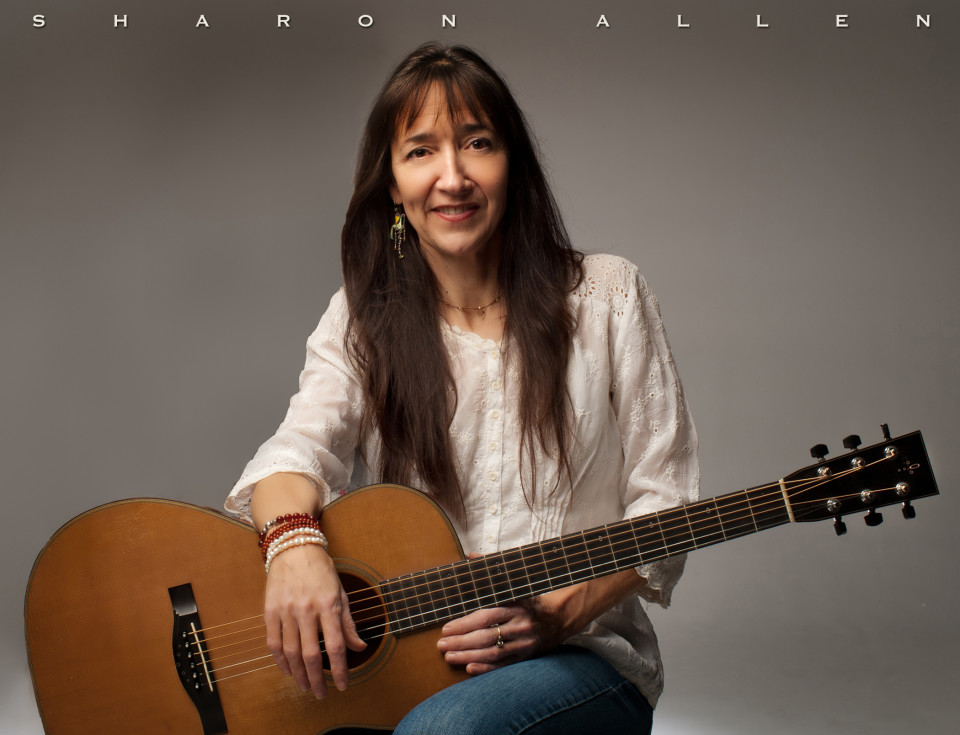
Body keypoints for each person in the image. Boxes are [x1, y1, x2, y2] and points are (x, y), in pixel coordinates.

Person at [225, 42, 699, 734]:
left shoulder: (608, 297)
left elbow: (668, 503)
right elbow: (297, 451)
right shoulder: (366, 317)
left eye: (477, 143)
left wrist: (561, 610)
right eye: (420, 152)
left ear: (512, 165)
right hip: (415, 671)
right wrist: (294, 547)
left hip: (582, 662)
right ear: (392, 183)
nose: (452, 177)